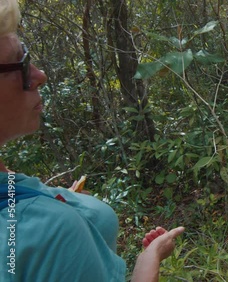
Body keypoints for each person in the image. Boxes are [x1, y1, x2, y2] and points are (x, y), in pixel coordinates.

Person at [0, 0, 184, 281]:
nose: (40, 75)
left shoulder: (16, 193)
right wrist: (150, 259)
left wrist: (54, 196)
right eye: (22, 62)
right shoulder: (52, 231)